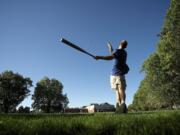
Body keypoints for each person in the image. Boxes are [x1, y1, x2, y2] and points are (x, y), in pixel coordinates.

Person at [94, 40, 129, 113]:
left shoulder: (118, 51)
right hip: (115, 74)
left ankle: (122, 105)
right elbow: (112, 52)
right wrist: (110, 46)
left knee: (119, 89)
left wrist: (100, 57)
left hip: (117, 74)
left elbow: (111, 56)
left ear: (120, 43)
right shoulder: (124, 52)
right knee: (118, 90)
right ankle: (120, 105)